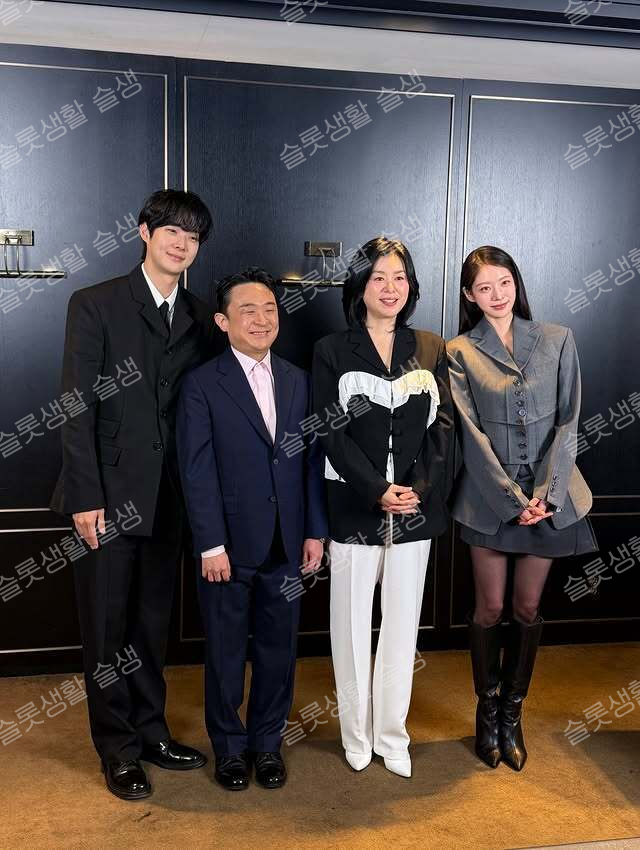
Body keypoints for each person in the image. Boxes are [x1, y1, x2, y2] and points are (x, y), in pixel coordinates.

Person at [50, 189, 216, 800]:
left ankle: (151, 732)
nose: (181, 244)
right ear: (144, 232)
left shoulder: (201, 315)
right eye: (171, 231)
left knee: (151, 626)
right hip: (106, 495)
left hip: (170, 497)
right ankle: (117, 749)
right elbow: (76, 405)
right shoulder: (95, 303)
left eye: (193, 237)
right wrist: (84, 496)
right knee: (106, 628)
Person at [447, 245, 597, 772]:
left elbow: (569, 420)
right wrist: (513, 500)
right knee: (489, 609)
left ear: (516, 283)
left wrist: (546, 495)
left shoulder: (557, 339)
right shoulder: (459, 351)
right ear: (469, 295)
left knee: (527, 609)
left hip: (550, 496)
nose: (497, 295)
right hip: (488, 500)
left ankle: (513, 713)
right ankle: (486, 712)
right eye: (484, 287)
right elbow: (470, 435)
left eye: (504, 283)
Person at [177, 267, 327, 792]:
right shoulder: (201, 384)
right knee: (224, 652)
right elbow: (196, 470)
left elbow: (311, 462)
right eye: (247, 310)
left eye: (269, 310)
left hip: (287, 542)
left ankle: (267, 744)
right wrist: (210, 544)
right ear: (223, 322)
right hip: (228, 547)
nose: (261, 320)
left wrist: (314, 531)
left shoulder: (298, 380)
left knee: (278, 650)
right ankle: (228, 747)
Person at [312, 237, 454, 778]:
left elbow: (444, 428)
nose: (390, 288)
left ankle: (393, 735)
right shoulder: (331, 349)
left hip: (415, 508)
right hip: (354, 506)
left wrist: (416, 487)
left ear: (411, 286)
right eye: (378, 277)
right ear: (359, 286)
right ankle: (355, 734)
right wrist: (376, 489)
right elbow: (330, 430)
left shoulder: (431, 346)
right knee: (350, 629)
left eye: (399, 277)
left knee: (402, 629)